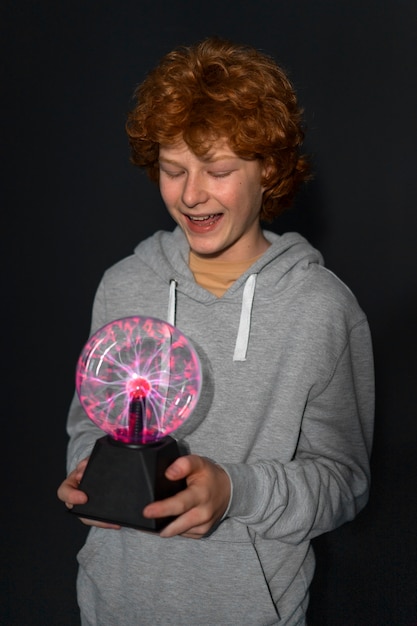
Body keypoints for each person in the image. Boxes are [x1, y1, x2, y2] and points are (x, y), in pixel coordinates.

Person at [57, 36, 374, 625]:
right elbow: (87, 425)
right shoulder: (124, 286)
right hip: (112, 604)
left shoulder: (321, 309)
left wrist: (235, 491)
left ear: (270, 168)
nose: (191, 194)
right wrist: (87, 475)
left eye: (219, 170)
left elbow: (344, 482)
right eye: (173, 170)